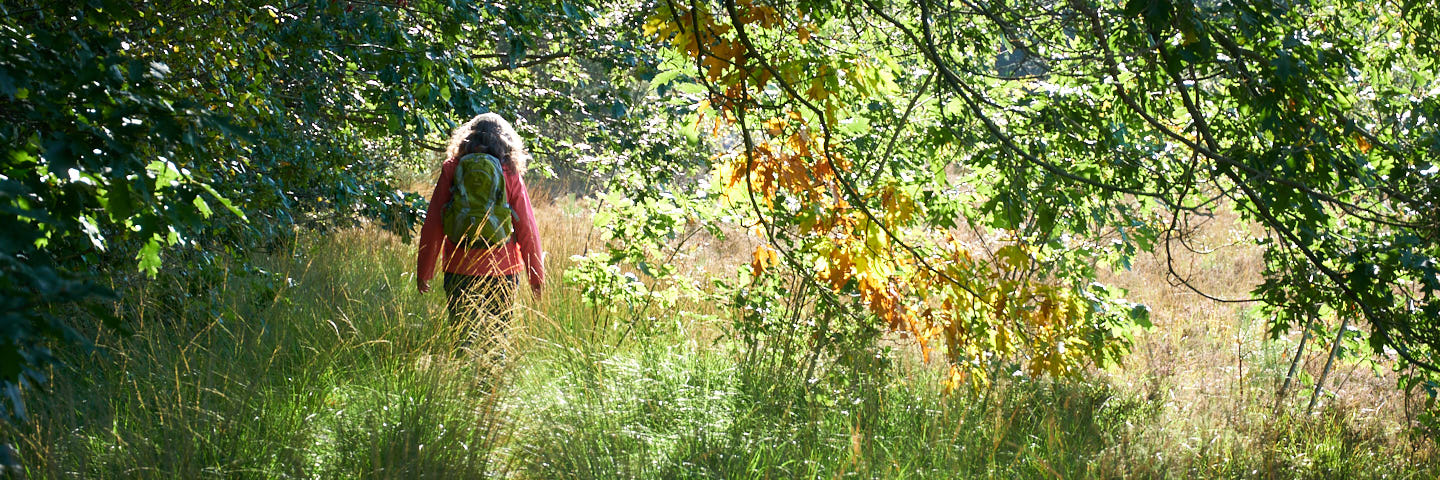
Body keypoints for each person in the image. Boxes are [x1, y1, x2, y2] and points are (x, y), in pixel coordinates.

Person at [416, 113, 544, 359]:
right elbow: (527, 227)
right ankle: (490, 394)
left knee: (463, 341)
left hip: (459, 268)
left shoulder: (452, 168)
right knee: (497, 343)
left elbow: (433, 223)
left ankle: (462, 392)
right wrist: (536, 278)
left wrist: (425, 271)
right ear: (505, 141)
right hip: (502, 271)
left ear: (467, 138)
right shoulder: (509, 171)